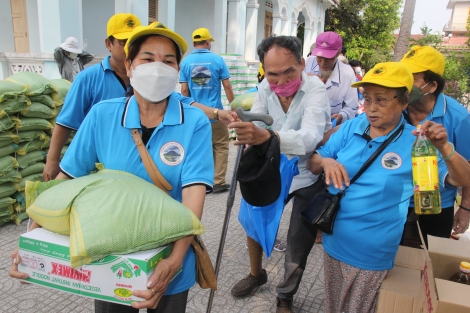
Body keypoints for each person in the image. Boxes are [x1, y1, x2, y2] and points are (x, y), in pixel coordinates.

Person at [11, 21, 214, 313]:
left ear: (177, 70)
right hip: (111, 256)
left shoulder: (193, 122)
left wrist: (176, 259)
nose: (158, 67)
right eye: (147, 59)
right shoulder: (103, 115)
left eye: (168, 61)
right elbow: (66, 179)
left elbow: (193, 194)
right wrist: (32, 241)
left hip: (170, 251)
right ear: (130, 66)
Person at [307, 62, 470, 313]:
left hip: (372, 252)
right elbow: (314, 161)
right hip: (333, 240)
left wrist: (445, 148)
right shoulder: (354, 126)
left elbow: (462, 179)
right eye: (367, 99)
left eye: (381, 100)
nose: (371, 108)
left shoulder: (416, 143)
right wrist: (326, 161)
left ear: (404, 102)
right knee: (334, 306)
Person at [228, 36, 330, 313]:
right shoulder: (265, 87)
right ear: (264, 71)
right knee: (253, 216)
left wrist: (267, 135)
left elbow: (309, 137)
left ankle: (286, 294)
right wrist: (246, 131)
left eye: (289, 72)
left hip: (306, 171)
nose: (282, 82)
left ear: (302, 63)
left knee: (298, 238)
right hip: (270, 167)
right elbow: (257, 119)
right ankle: (256, 273)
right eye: (273, 75)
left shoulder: (316, 90)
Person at [43, 13, 142, 182]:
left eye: (134, 43)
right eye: (123, 42)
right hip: (96, 167)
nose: (129, 48)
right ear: (108, 44)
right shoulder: (88, 79)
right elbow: (65, 122)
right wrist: (52, 160)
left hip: (136, 164)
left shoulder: (145, 79)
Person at [399, 45, 470, 246]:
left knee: (429, 263)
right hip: (397, 200)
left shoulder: (458, 117)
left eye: (412, 77)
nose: (404, 82)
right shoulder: (396, 109)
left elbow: (468, 166)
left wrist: (465, 209)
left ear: (431, 86)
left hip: (437, 205)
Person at [179, 28, 235, 193]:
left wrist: (189, 109)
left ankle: (204, 180)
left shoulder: (186, 62)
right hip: (216, 113)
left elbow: (183, 91)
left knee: (201, 146)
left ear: (193, 43)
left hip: (195, 113)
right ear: (208, 41)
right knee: (221, 145)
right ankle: (218, 181)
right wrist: (233, 105)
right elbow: (227, 85)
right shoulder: (217, 60)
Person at [304, 32, 359, 125]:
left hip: (329, 128)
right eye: (320, 57)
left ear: (338, 54)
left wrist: (341, 115)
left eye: (328, 58)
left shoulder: (347, 74)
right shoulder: (307, 64)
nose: (323, 62)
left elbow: (352, 107)